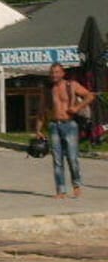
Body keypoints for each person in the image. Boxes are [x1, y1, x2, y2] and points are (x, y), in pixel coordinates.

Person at [35, 62, 95, 198]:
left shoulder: (71, 85)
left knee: (72, 158)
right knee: (57, 160)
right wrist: (38, 130)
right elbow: (41, 110)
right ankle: (60, 190)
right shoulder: (47, 89)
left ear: (63, 73)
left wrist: (77, 107)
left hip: (70, 124)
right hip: (54, 126)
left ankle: (76, 184)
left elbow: (90, 96)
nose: (54, 75)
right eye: (52, 73)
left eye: (57, 72)